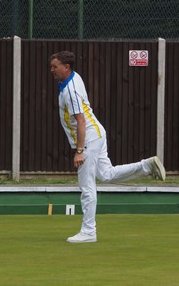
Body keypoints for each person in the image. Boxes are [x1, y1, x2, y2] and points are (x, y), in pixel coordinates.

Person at [50, 51, 166, 243]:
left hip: (88, 139)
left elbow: (80, 121)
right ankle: (147, 166)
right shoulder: (73, 78)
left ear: (66, 67)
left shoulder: (70, 89)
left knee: (87, 186)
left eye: (55, 66)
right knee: (107, 174)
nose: (52, 70)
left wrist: (79, 151)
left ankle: (88, 232)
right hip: (96, 133)